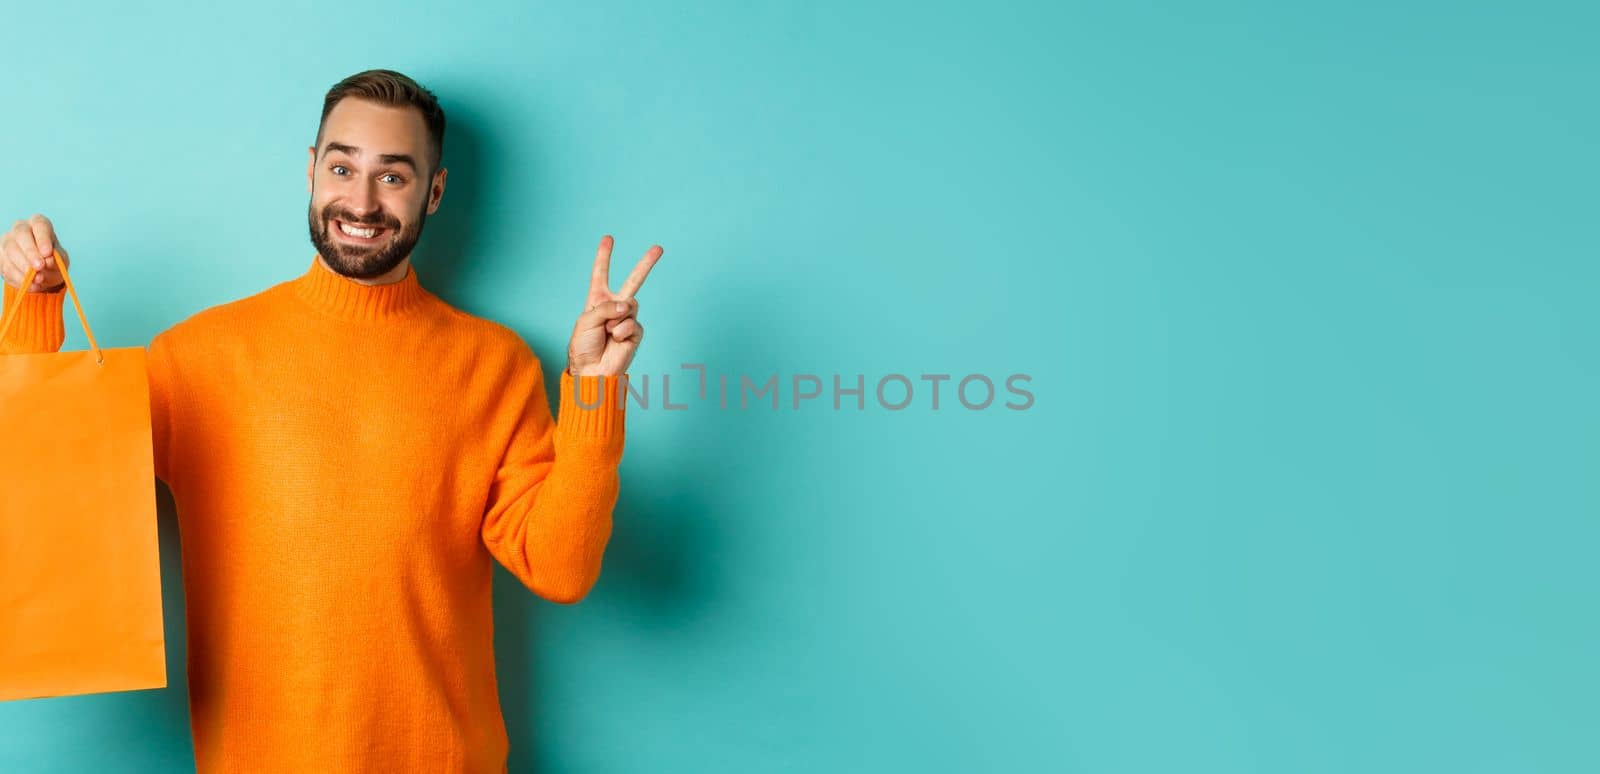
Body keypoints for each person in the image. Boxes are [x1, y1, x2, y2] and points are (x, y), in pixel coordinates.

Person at [0, 68, 661, 772]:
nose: (362, 201)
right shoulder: (196, 357)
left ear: (434, 193)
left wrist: (593, 390)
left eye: (394, 177)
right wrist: (32, 307)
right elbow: (45, 491)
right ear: (312, 170)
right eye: (343, 167)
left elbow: (562, 569)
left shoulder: (494, 365)